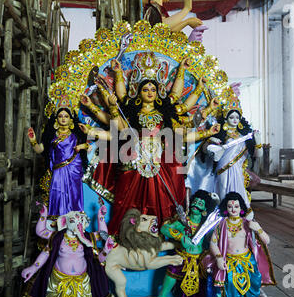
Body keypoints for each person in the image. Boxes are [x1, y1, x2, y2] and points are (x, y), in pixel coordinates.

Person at [83, 52, 220, 234]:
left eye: (153, 89)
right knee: (126, 199)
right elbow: (120, 130)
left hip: (158, 162)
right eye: (146, 89)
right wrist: (113, 107)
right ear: (139, 92)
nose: (149, 92)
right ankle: (124, 234)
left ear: (158, 92)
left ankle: (160, 235)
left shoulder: (166, 114)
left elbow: (183, 134)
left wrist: (207, 131)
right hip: (133, 160)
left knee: (160, 200)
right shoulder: (131, 112)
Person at [185, 95, 263, 219]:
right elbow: (206, 149)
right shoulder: (220, 133)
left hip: (238, 172)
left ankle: (240, 220)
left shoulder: (245, 136)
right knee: (223, 193)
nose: (235, 120)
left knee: (239, 195)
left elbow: (257, 155)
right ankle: (222, 219)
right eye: (231, 117)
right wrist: (211, 143)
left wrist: (258, 142)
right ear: (225, 118)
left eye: (237, 117)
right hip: (223, 171)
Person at [21, 209, 111, 297]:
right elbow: (41, 233)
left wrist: (101, 217)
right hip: (58, 282)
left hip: (82, 283)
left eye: (81, 221)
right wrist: (43, 215)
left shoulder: (88, 238)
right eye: (73, 221)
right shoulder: (56, 237)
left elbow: (103, 235)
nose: (77, 224)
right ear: (64, 222)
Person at [202, 192, 275, 297]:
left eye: (236, 206)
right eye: (230, 206)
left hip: (247, 262)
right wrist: (218, 258)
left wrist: (258, 229)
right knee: (230, 289)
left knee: (251, 288)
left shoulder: (247, 223)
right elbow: (213, 243)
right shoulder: (221, 224)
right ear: (225, 208)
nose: (233, 209)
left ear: (241, 207)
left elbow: (267, 240)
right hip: (229, 263)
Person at [158, 190, 219, 297]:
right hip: (180, 259)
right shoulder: (181, 222)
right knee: (164, 290)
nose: (196, 205)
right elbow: (164, 228)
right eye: (195, 202)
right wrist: (180, 237)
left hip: (199, 262)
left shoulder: (206, 226)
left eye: (200, 204)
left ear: (204, 210)